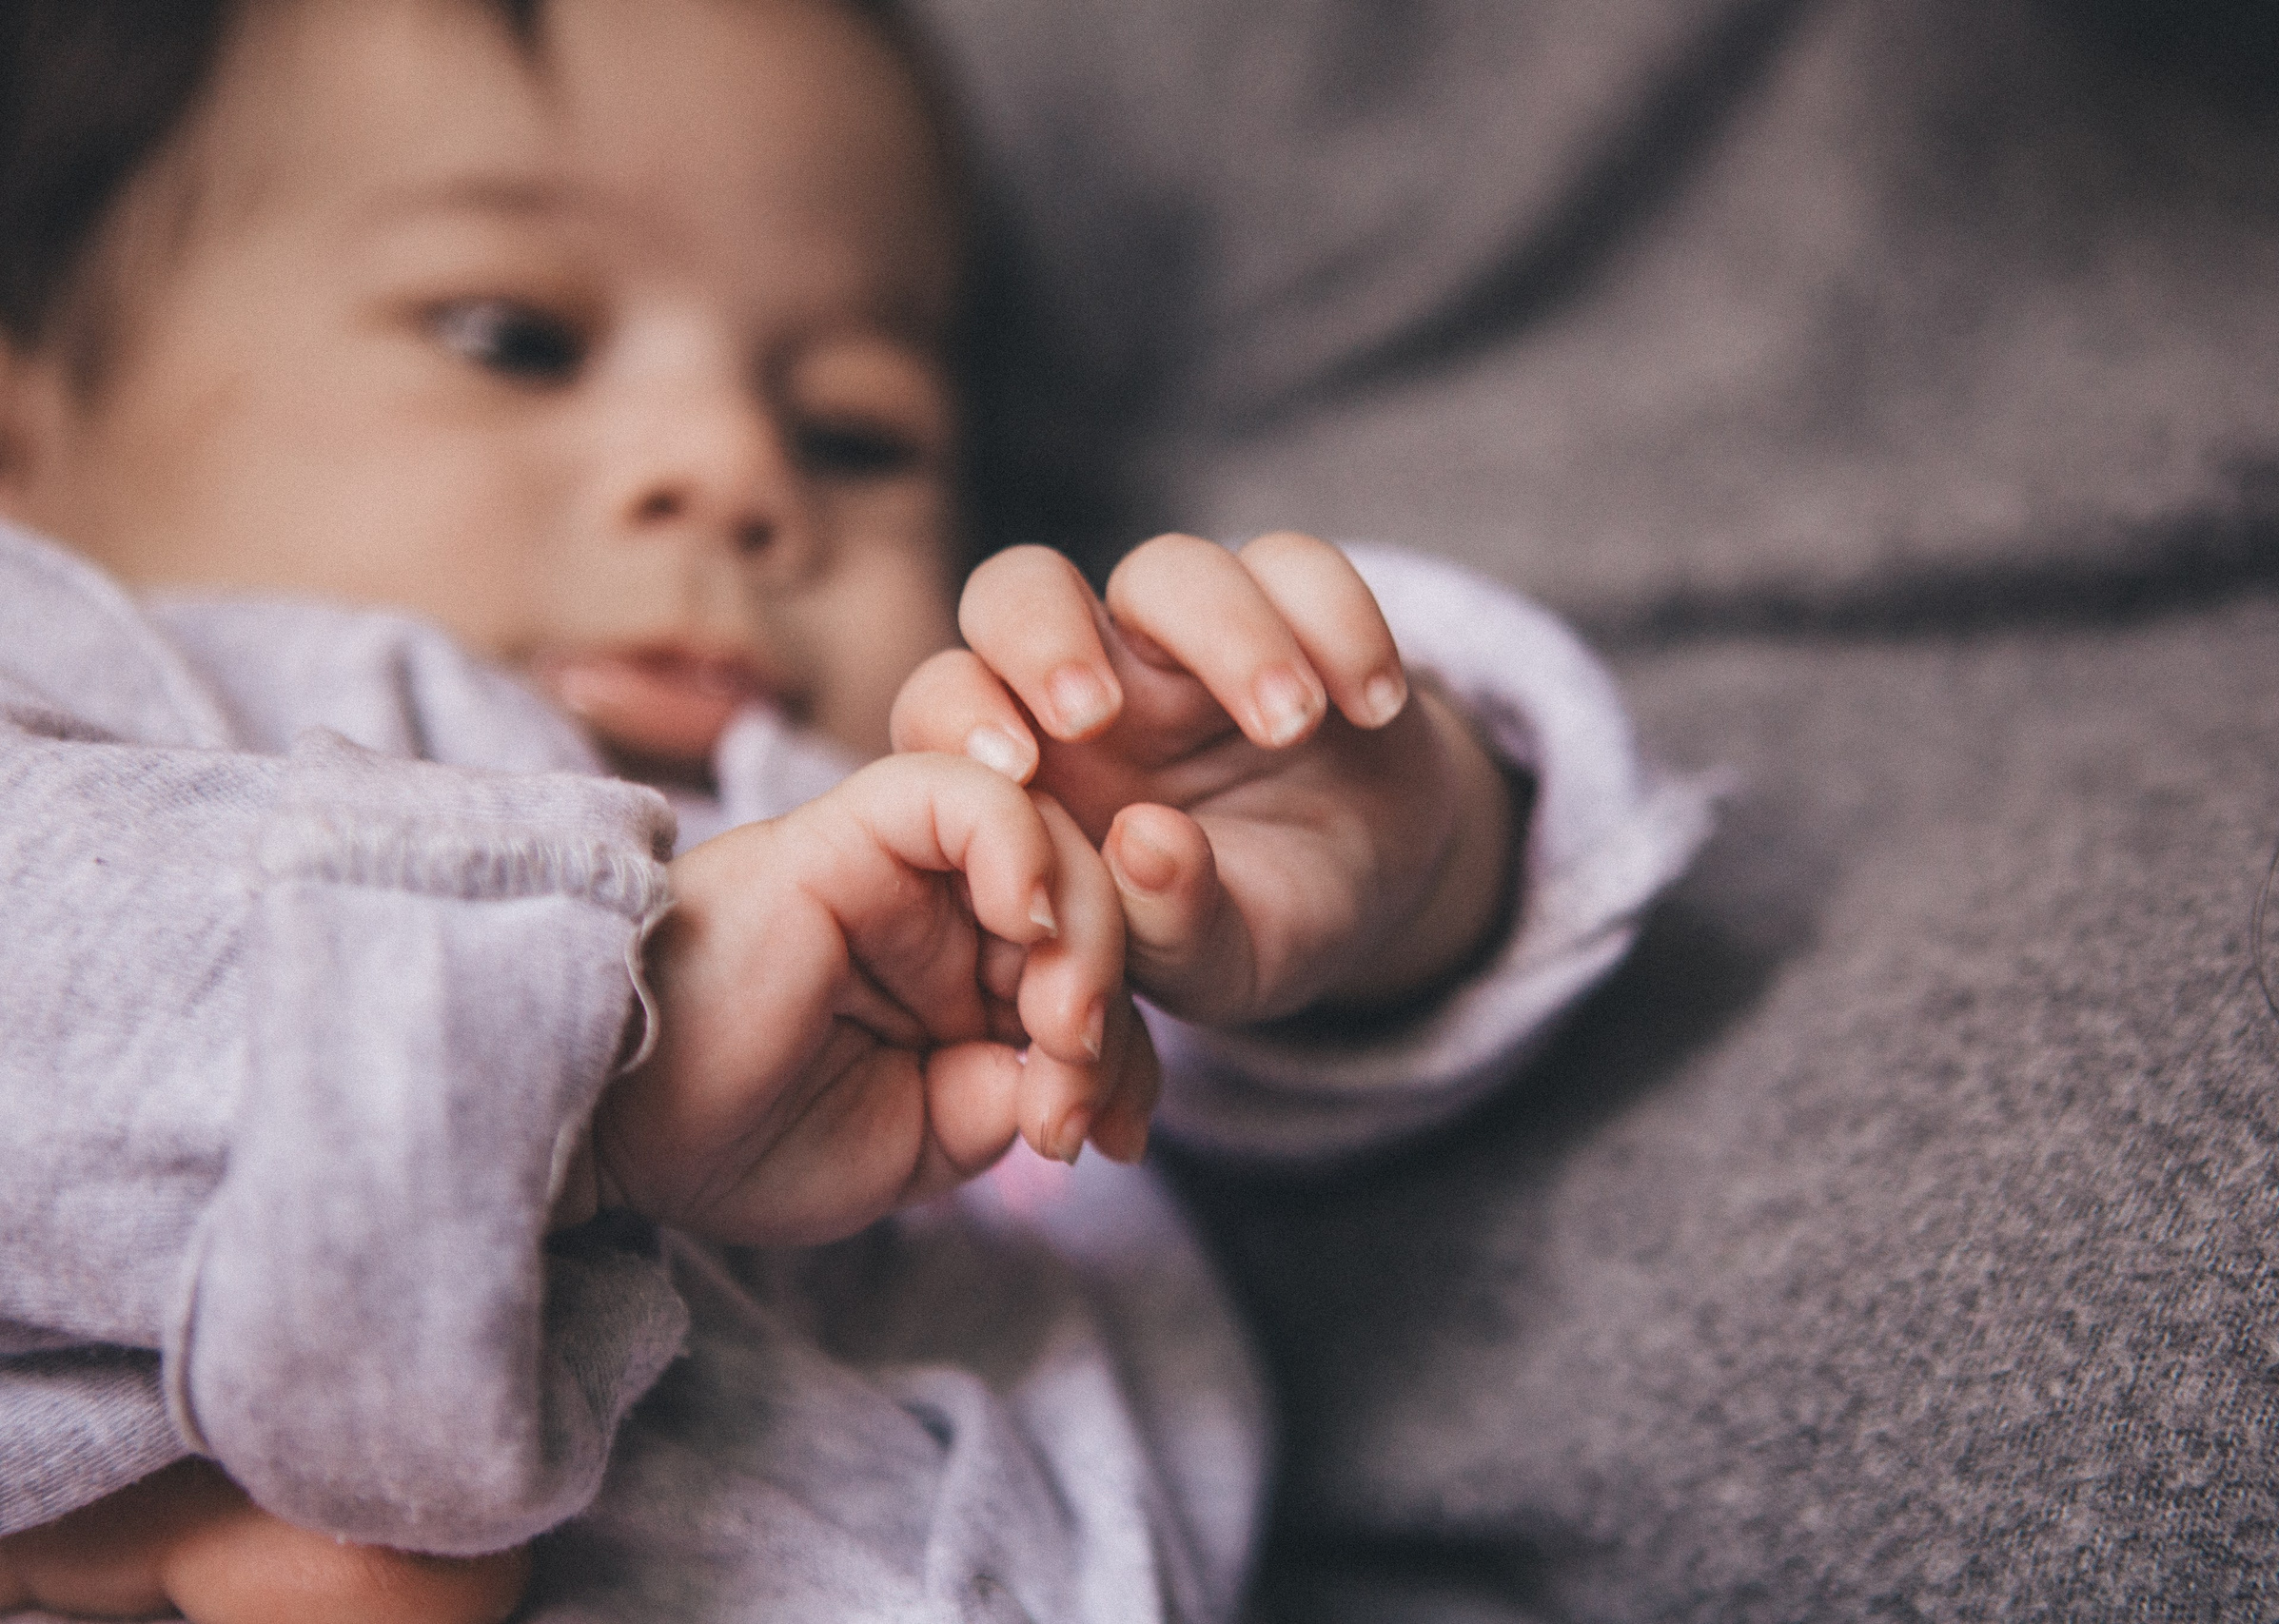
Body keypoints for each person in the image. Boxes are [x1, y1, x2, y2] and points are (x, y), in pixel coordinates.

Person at [0, 1, 1705, 1618]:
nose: (733, 466)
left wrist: (1380, 860)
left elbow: (1244, 1095)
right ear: (25, 448)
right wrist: (604, 1045)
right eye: (514, 337)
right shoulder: (95, 681)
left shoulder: (940, 822)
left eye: (855, 432)